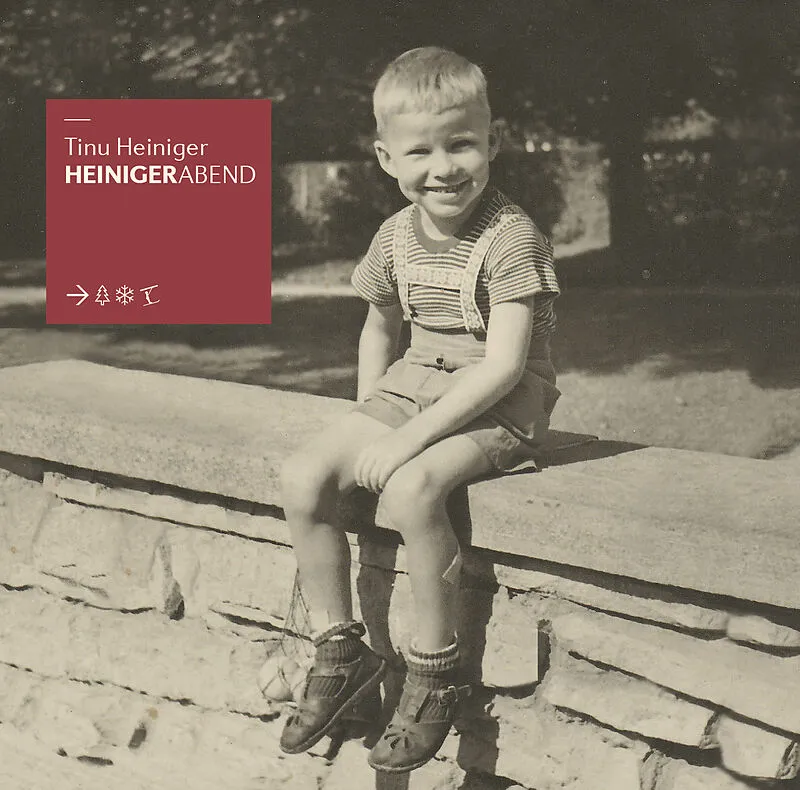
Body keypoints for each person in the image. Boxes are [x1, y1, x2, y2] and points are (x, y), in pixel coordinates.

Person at [277, 46, 561, 773]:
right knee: (304, 475)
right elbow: (379, 328)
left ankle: (436, 673)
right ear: (386, 158)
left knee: (410, 490)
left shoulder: (510, 238)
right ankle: (341, 650)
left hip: (502, 402)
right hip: (413, 384)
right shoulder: (396, 235)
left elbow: (503, 366)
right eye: (420, 151)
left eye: (461, 144)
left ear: (493, 141)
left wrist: (403, 443)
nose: (444, 168)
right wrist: (367, 419)